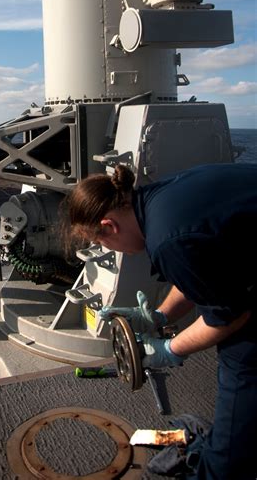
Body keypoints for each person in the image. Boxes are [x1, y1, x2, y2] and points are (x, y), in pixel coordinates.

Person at [64, 162, 257, 480]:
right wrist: (158, 317)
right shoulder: (157, 200)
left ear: (109, 226)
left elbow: (230, 316)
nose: (106, 248)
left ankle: (222, 464)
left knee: (242, 364)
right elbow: (202, 267)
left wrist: (169, 349)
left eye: (100, 242)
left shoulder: (168, 239)